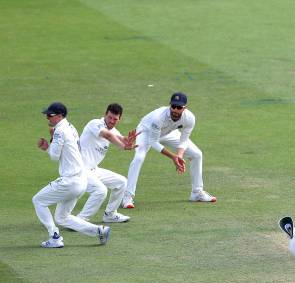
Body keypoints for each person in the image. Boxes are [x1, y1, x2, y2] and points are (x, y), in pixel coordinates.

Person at [33, 102, 110, 248]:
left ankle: (54, 237)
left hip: (70, 181)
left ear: (60, 116)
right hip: (81, 181)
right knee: (62, 217)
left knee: (38, 200)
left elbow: (55, 156)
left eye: (50, 115)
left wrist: (48, 148)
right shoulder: (71, 127)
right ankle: (99, 231)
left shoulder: (59, 131)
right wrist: (49, 147)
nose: (47, 118)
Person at [122, 92, 216, 208]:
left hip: (168, 132)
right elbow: (153, 142)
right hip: (146, 132)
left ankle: (197, 193)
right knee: (139, 157)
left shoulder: (190, 118)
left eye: (179, 107)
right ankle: (127, 197)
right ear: (170, 105)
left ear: (185, 108)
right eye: (173, 106)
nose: (175, 110)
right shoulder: (158, 118)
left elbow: (184, 139)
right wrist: (173, 157)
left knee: (197, 154)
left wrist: (180, 156)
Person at [75, 103, 137, 223]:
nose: (112, 121)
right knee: (100, 191)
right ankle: (80, 220)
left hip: (94, 170)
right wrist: (124, 146)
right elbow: (107, 135)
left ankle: (110, 214)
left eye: (115, 119)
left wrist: (127, 141)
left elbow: (120, 138)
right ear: (105, 114)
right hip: (80, 169)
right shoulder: (95, 124)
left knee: (121, 182)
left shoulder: (113, 129)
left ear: (120, 119)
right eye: (110, 117)